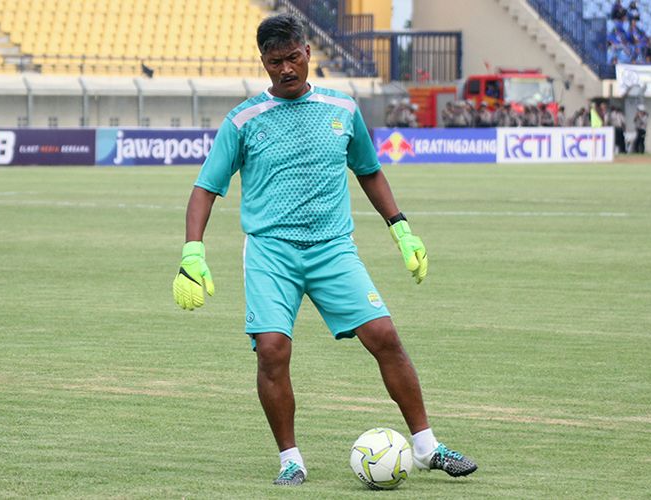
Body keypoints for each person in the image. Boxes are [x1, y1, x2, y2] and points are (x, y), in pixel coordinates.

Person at [172, 13, 477, 487]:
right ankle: (290, 459)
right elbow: (205, 188)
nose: (286, 69)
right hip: (272, 252)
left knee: (386, 337)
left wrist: (401, 229)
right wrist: (193, 252)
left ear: (308, 52)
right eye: (275, 62)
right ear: (264, 63)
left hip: (333, 249)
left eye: (293, 58)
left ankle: (426, 447)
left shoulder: (342, 108)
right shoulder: (244, 120)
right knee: (271, 351)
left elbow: (369, 170)